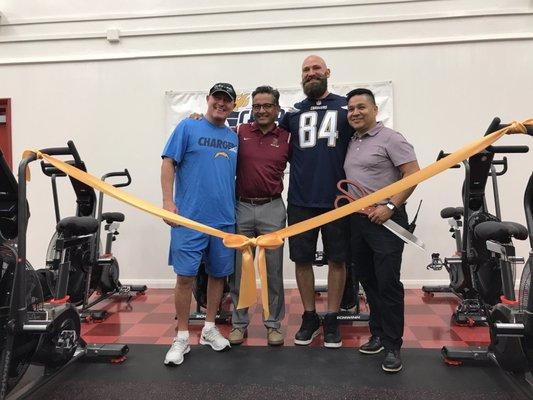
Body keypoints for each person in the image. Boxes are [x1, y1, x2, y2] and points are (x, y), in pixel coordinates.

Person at [161, 82, 238, 366]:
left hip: (223, 221)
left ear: (232, 105)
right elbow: (168, 163)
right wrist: (168, 203)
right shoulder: (187, 127)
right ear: (208, 100)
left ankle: (208, 328)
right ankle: (181, 335)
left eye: (227, 100)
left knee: (219, 276)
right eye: (217, 98)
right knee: (185, 277)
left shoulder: (234, 137)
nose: (221, 103)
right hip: (189, 219)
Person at [343, 88, 420, 373]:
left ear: (375, 109)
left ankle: (393, 346)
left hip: (386, 219)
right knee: (368, 280)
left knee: (387, 282)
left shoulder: (391, 138)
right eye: (351, 108)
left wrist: (389, 205)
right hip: (359, 220)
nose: (355, 113)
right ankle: (377, 334)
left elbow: (414, 174)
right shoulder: (353, 141)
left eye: (361, 107)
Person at [279, 55, 353, 348]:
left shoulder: (347, 107)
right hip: (301, 199)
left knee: (338, 259)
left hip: (338, 200)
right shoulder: (292, 114)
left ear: (328, 73)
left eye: (316, 69)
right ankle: (310, 316)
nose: (311, 73)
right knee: (301, 260)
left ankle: (332, 317)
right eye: (306, 70)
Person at [228, 85, 290, 346]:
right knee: (239, 270)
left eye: (267, 106)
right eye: (257, 106)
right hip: (241, 207)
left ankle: (273, 324)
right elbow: (212, 135)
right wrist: (197, 118)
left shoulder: (287, 137)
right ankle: (239, 324)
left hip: (273, 208)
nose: (261, 110)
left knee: (273, 271)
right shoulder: (239, 132)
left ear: (277, 109)